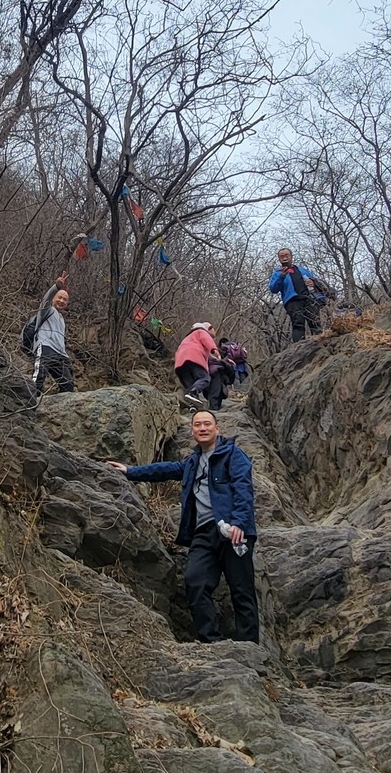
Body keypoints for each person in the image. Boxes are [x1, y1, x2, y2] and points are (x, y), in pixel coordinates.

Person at [107, 409, 258, 643]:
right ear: (192, 431)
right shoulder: (192, 462)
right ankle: (211, 641)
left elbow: (243, 489)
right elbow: (164, 470)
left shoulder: (233, 456)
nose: (203, 428)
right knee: (195, 581)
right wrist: (130, 472)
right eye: (197, 425)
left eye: (207, 424)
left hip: (233, 532)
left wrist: (239, 522)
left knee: (242, 590)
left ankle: (250, 648)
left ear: (217, 429)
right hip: (203, 533)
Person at [29, 273, 74, 396]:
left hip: (60, 354)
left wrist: (65, 355)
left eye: (65, 300)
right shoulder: (47, 310)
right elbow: (46, 299)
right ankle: (30, 404)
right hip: (46, 347)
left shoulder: (61, 319)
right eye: (59, 297)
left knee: (68, 384)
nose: (61, 301)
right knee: (39, 377)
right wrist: (56, 287)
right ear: (54, 298)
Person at [268, 248, 323, 342]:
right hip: (292, 301)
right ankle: (299, 348)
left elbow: (316, 282)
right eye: (282, 256)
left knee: (315, 322)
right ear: (279, 259)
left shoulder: (303, 270)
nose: (284, 258)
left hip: (309, 299)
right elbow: (273, 289)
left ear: (291, 257)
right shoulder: (277, 273)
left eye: (286, 255)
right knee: (298, 324)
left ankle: (321, 344)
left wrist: (313, 283)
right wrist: (281, 276)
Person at [173, 321, 226, 409]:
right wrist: (214, 350)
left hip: (180, 363)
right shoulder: (200, 332)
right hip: (193, 357)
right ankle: (193, 393)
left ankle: (193, 406)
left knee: (191, 385)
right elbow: (206, 339)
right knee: (204, 379)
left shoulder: (186, 339)